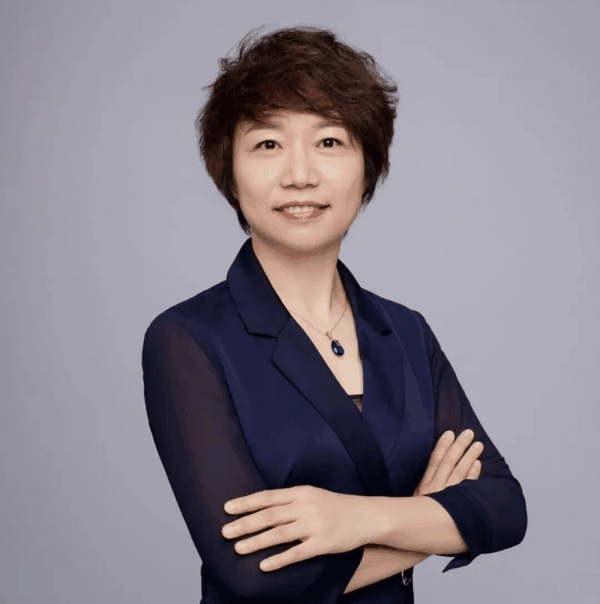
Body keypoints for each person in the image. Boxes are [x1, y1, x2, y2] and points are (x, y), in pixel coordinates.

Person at [141, 25, 528, 603]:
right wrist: (425, 522)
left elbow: (503, 507)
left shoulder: (406, 331)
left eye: (329, 141)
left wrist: (354, 518)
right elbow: (256, 573)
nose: (300, 174)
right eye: (267, 144)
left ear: (366, 167)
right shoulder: (188, 339)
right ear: (229, 171)